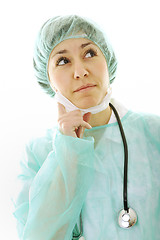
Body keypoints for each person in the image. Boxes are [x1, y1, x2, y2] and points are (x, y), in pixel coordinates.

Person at [12, 15, 160, 240]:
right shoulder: (37, 153)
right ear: (48, 79)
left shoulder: (153, 133)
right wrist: (68, 149)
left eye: (89, 53)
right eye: (63, 61)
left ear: (107, 61)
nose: (80, 71)